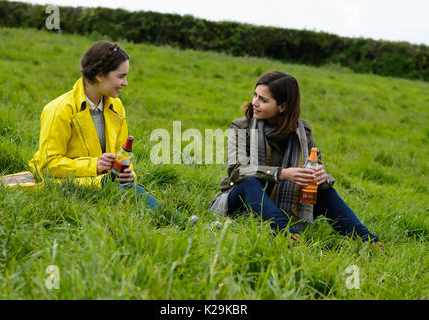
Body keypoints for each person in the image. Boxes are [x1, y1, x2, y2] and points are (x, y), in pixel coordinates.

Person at [29, 40, 197, 226]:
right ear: (100, 75)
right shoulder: (60, 109)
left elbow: (120, 155)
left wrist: (127, 173)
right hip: (60, 184)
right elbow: (48, 164)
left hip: (103, 181)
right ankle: (185, 223)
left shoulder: (116, 106)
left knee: (125, 188)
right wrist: (95, 165)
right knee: (123, 191)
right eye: (121, 76)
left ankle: (179, 222)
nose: (125, 83)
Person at [211, 71, 381, 245]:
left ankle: (371, 243)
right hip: (243, 201)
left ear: (282, 106)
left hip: (283, 202)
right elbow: (236, 170)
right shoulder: (241, 126)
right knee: (249, 183)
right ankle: (289, 235)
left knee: (324, 191)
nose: (255, 102)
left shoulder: (302, 132)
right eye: (255, 95)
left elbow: (314, 167)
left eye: (263, 100)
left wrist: (322, 177)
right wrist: (280, 173)